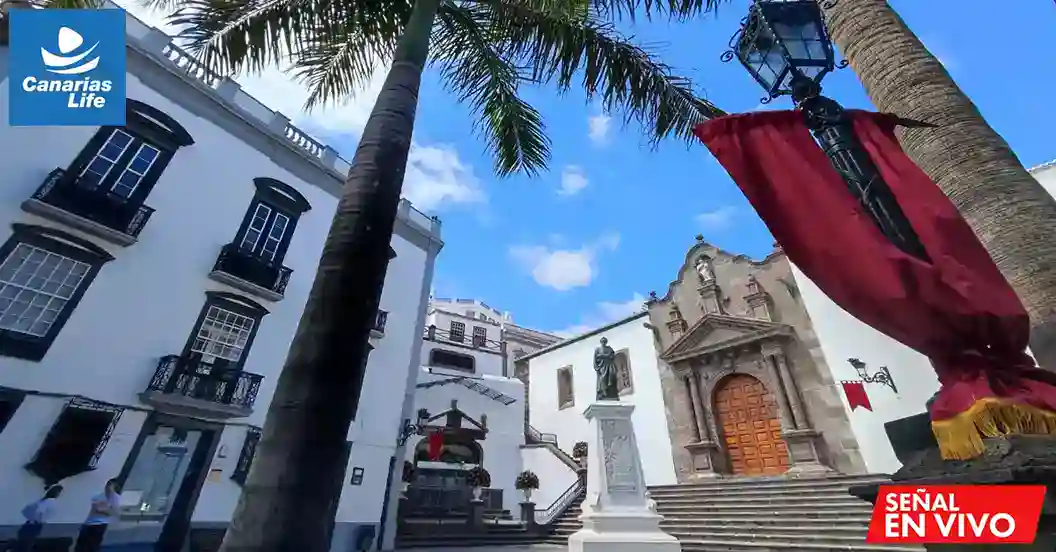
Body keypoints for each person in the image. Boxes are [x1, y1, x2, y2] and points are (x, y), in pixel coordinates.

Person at [73, 478, 121, 552]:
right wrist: (107, 509)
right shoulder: (98, 496)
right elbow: (97, 509)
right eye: (108, 485)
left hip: (101, 525)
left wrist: (105, 509)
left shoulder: (116, 498)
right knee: (81, 545)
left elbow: (114, 512)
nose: (108, 487)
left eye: (111, 486)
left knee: (93, 545)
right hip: (90, 523)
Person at [13, 484, 63, 552]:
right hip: (35, 527)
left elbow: (25, 510)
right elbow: (39, 512)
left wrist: (32, 518)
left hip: (29, 526)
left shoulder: (41, 501)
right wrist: (39, 521)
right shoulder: (50, 502)